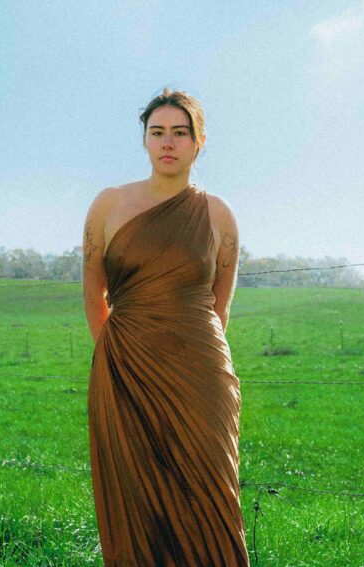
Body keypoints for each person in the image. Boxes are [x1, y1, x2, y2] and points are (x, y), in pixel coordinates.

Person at [82, 88, 249, 565]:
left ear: (199, 143)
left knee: (211, 493)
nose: (168, 143)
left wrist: (190, 362)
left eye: (180, 133)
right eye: (157, 133)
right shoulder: (108, 206)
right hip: (123, 371)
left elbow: (220, 307)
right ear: (145, 141)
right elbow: (93, 293)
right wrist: (119, 358)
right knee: (136, 500)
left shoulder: (220, 215)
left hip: (200, 377)